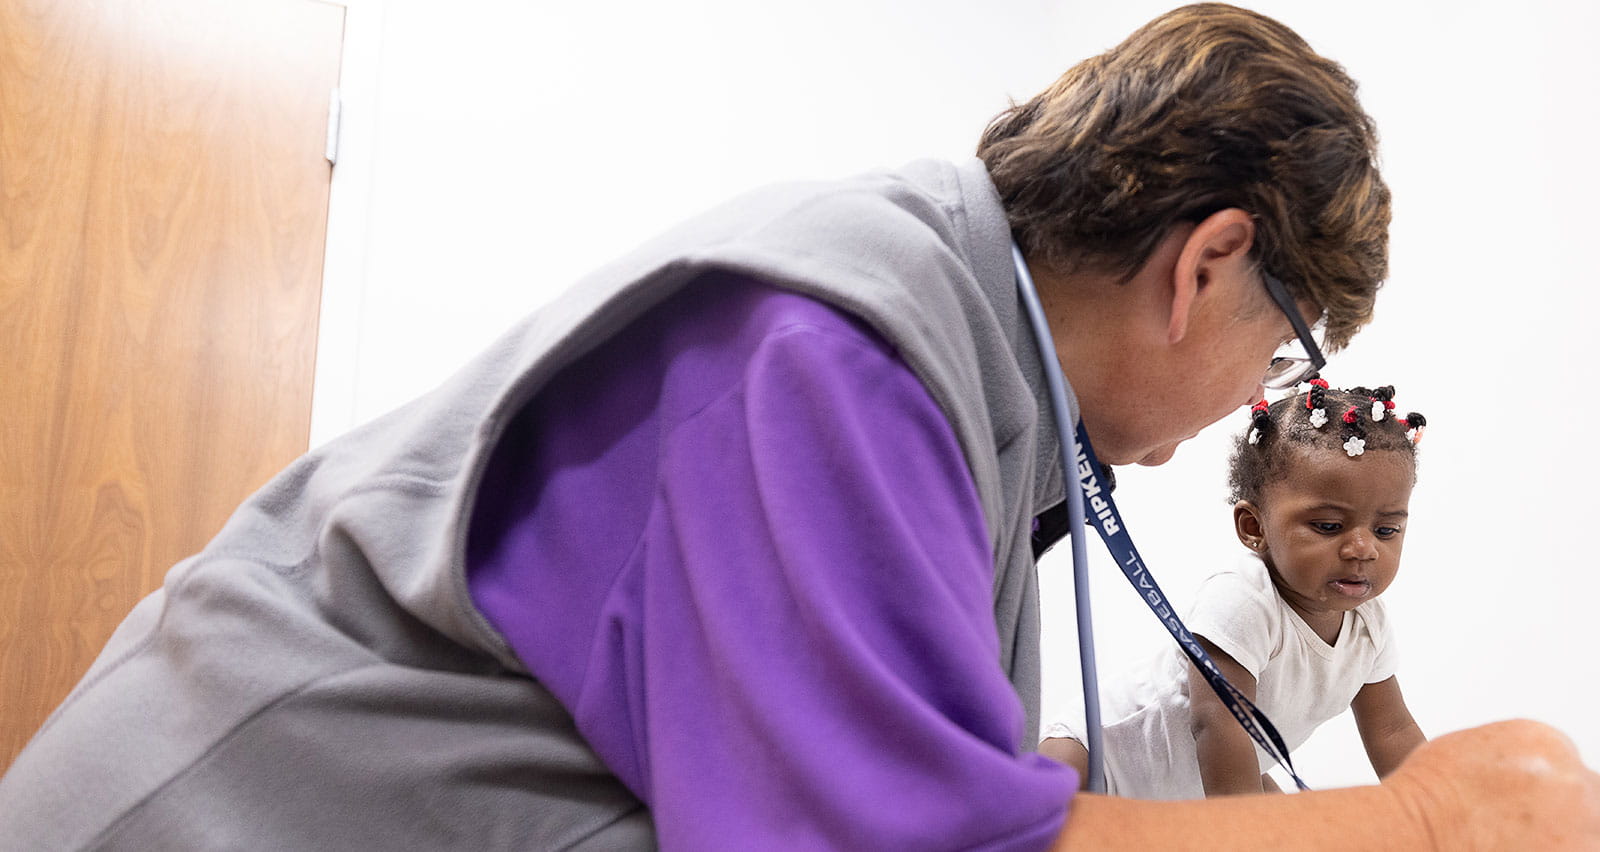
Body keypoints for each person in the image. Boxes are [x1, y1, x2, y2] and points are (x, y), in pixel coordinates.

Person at [2, 3, 1596, 850]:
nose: (1261, 400)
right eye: (1285, 353)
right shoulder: (830, 345)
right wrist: (1443, 822)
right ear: (1212, 265)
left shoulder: (967, 391)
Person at [1040, 382, 1428, 798]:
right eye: (1329, 526)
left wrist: (1445, 805)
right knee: (1041, 804)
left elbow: (1392, 730)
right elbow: (1219, 725)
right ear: (1254, 527)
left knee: (1298, 825)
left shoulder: (1368, 623)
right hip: (1104, 763)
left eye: (1386, 530)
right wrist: (1246, 832)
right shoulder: (1243, 601)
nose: (1362, 549)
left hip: (1196, 788)